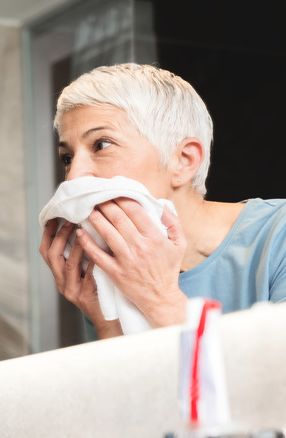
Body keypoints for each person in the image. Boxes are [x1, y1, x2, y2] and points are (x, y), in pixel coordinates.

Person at [39, 63, 286, 340]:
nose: (73, 177)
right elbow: (138, 382)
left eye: (101, 145)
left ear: (183, 161)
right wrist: (105, 319)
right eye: (67, 158)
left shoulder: (279, 235)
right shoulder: (113, 271)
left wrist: (158, 295)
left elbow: (270, 379)